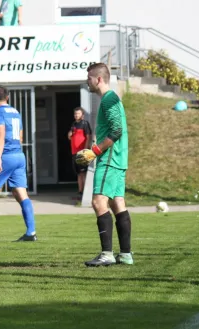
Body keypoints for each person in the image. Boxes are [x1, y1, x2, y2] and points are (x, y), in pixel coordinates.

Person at [82, 63, 133, 267]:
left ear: (99, 79)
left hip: (110, 159)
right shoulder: (110, 99)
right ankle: (126, 254)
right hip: (118, 159)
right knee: (117, 202)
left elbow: (117, 130)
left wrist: (95, 151)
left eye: (89, 78)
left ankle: (107, 254)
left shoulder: (109, 99)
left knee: (98, 202)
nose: (88, 81)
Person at [0, 85, 36, 241]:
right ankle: (31, 232)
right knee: (21, 193)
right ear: (7, 97)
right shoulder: (16, 112)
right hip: (19, 155)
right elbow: (21, 137)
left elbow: (0, 133)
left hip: (6, 156)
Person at [68, 107, 92, 198]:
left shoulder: (85, 124)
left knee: (84, 172)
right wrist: (69, 134)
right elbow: (69, 137)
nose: (76, 115)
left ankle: (86, 193)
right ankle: (80, 191)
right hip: (74, 151)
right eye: (75, 114)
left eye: (78, 113)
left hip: (83, 152)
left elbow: (88, 136)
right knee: (79, 173)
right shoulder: (73, 124)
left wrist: (85, 149)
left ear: (82, 115)